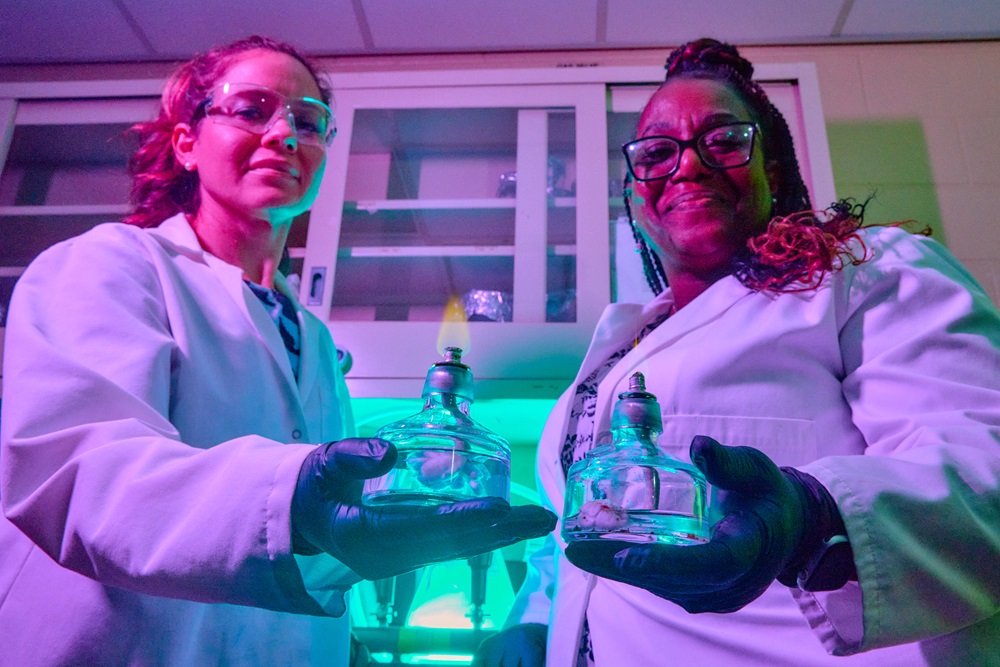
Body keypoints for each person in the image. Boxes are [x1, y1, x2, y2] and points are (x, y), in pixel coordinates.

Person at [0, 35, 555, 666]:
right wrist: (296, 501)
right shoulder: (106, 266)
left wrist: (346, 651)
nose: (284, 135)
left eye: (308, 121)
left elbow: (311, 551)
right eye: (251, 108)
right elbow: (80, 477)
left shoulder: (312, 340)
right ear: (187, 142)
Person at [474, 38, 1000, 666]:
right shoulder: (618, 350)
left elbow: (982, 467)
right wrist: (535, 619)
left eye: (722, 141)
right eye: (658, 152)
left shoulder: (862, 273)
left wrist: (810, 520)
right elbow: (582, 529)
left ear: (770, 170)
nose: (688, 166)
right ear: (637, 196)